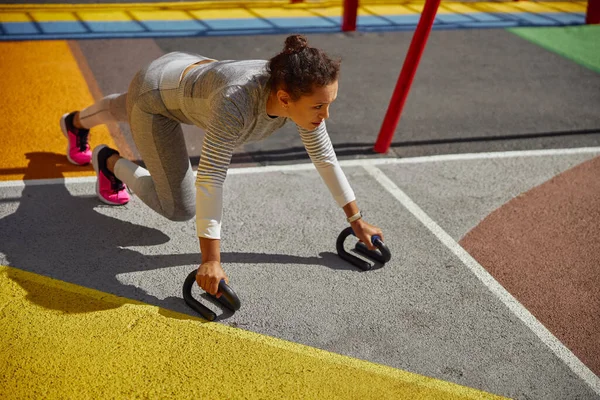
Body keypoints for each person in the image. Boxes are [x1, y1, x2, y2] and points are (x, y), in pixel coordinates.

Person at [60, 34, 384, 298]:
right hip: (157, 99)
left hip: (178, 70)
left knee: (124, 103)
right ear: (284, 99)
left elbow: (325, 158)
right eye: (319, 106)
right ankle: (107, 161)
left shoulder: (296, 86)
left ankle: (74, 123)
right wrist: (210, 261)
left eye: (329, 104)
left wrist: (356, 220)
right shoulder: (236, 104)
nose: (325, 115)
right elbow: (211, 180)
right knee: (179, 207)